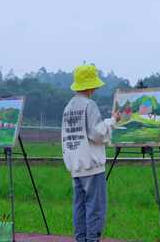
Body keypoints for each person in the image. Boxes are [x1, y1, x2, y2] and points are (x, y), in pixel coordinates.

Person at [62, 64, 120, 242]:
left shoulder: (69, 107)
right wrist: (112, 121)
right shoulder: (89, 105)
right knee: (95, 208)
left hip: (75, 165)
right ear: (91, 85)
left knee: (79, 207)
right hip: (92, 166)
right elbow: (97, 134)